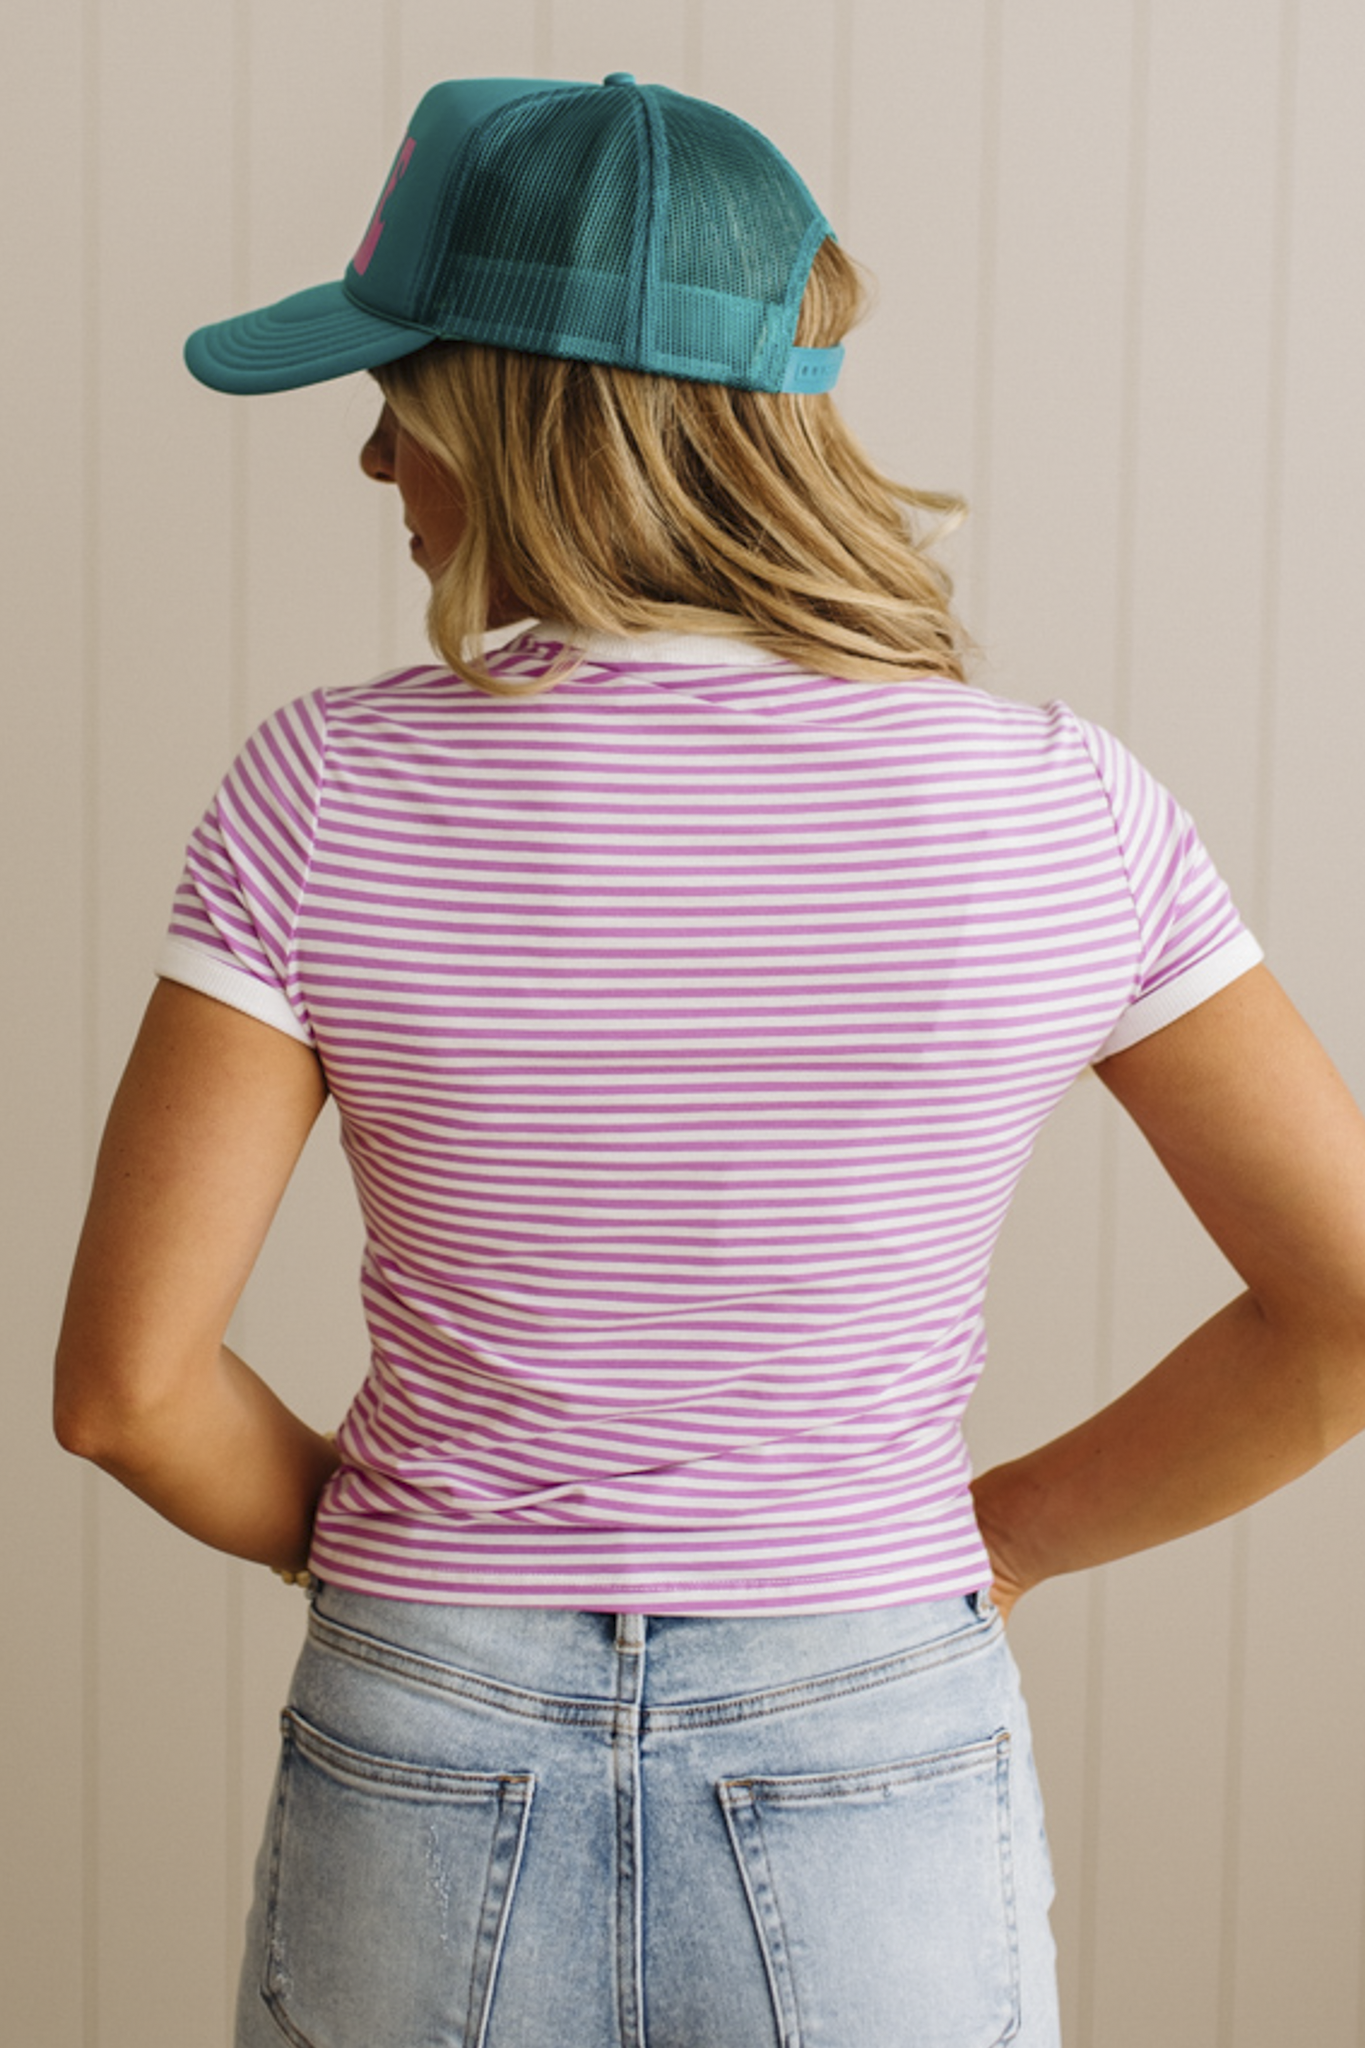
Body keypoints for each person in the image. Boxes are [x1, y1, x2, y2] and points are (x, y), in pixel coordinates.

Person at [53, 72, 1365, 2048]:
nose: (370, 459)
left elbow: (128, 1391)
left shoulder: (321, 792)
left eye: (397, 388)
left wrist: (427, 1565)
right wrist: (1000, 1534)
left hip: (432, 1715)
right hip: (874, 1722)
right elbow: (1345, 1303)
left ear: (497, 410)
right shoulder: (1058, 807)